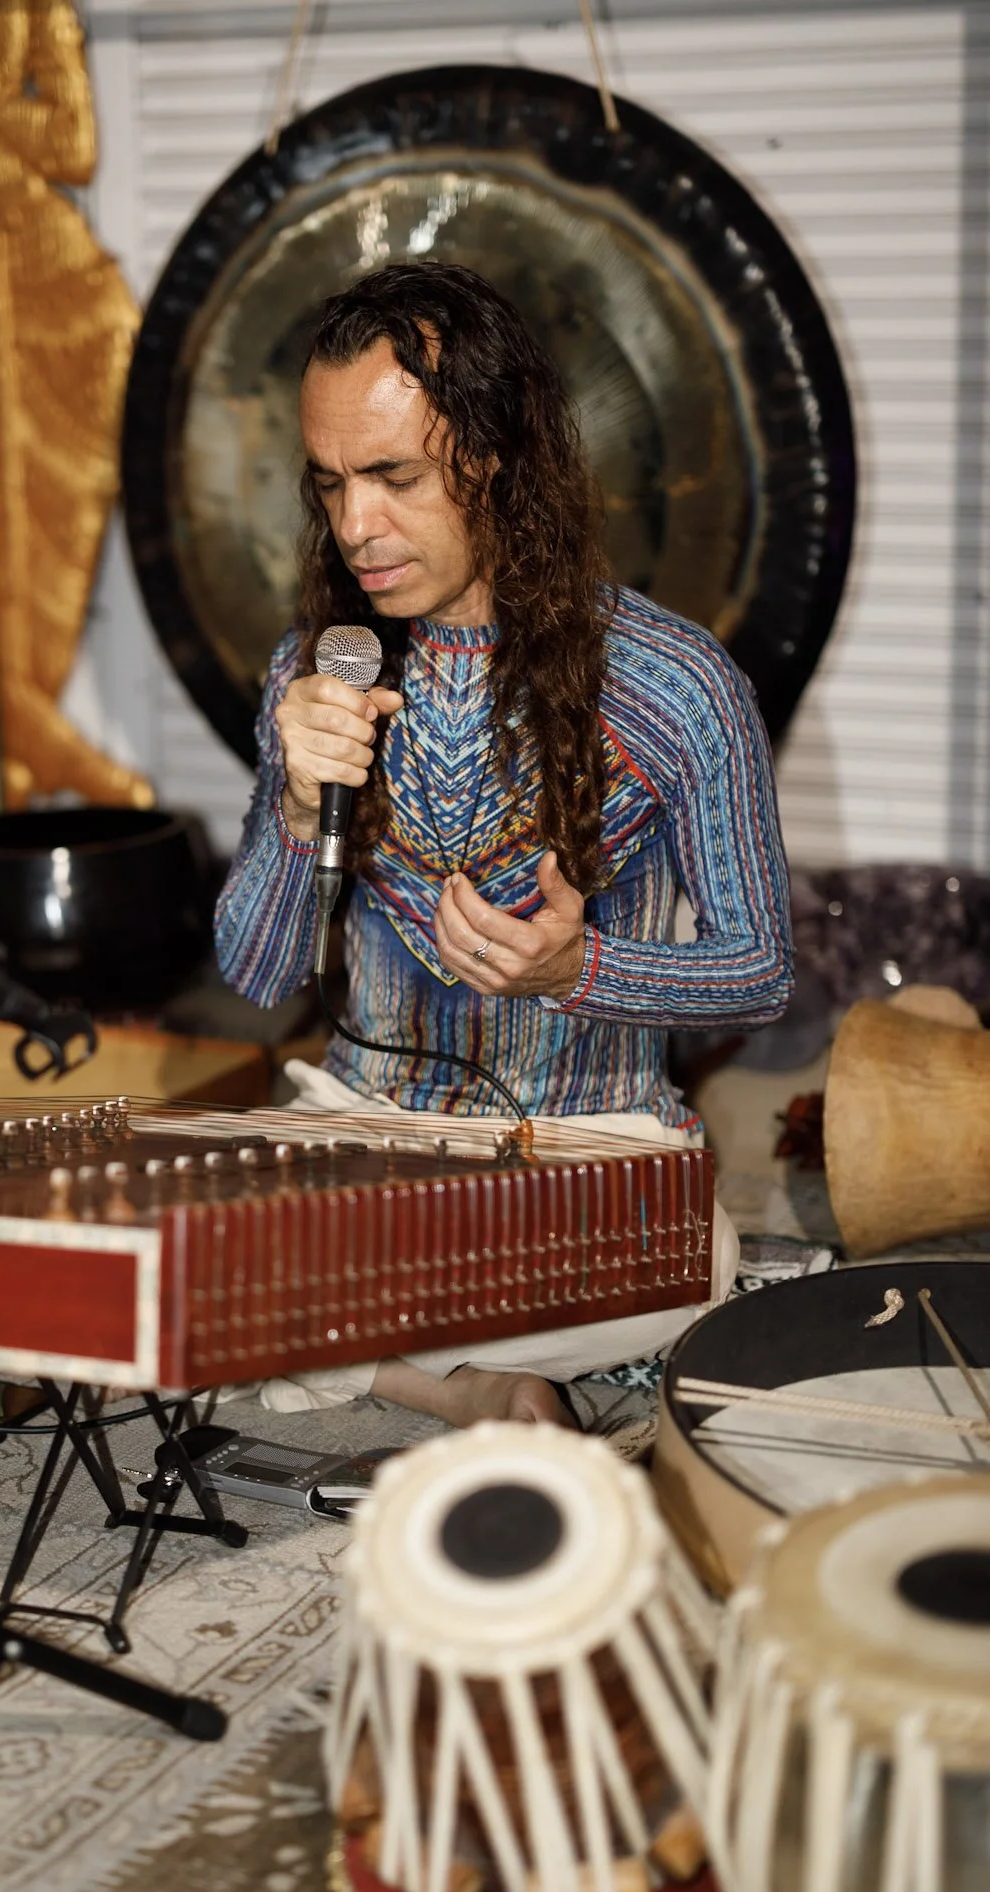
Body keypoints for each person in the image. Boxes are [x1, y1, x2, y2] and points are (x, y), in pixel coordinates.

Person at [215, 262, 791, 1428]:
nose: (352, 526)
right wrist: (295, 808)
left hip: (580, 1156)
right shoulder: (318, 669)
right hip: (369, 1132)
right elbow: (255, 972)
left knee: (689, 1256)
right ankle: (468, 1383)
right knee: (176, 1234)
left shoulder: (677, 685)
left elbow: (760, 970)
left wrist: (578, 969)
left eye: (392, 476)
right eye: (328, 482)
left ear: (496, 455)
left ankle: (357, 1344)